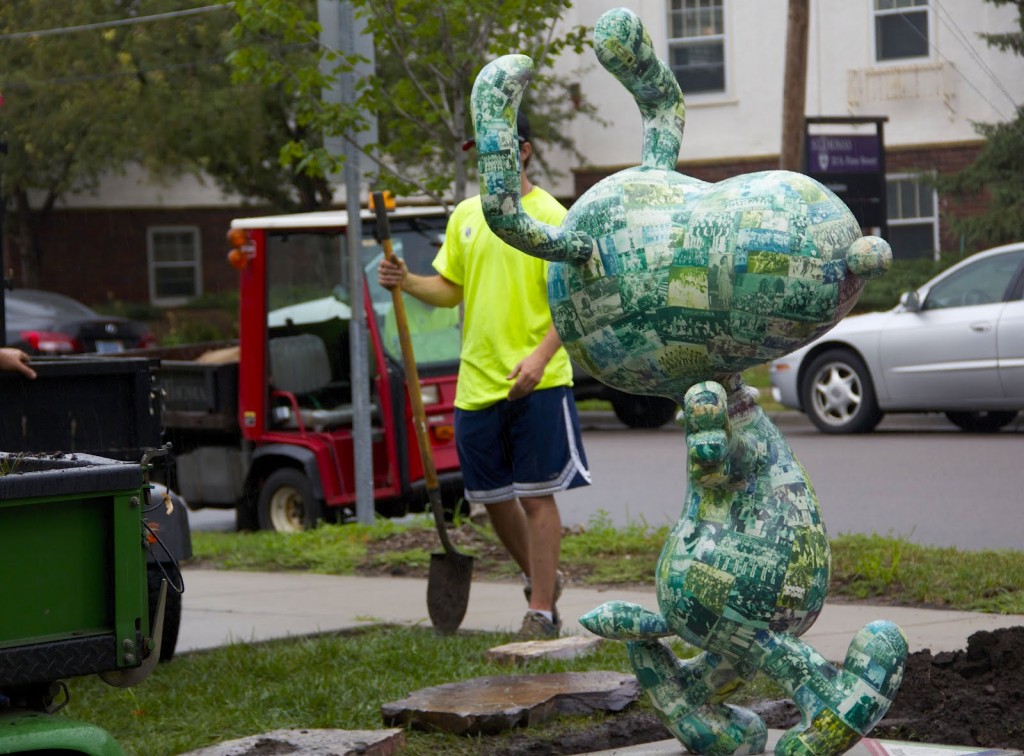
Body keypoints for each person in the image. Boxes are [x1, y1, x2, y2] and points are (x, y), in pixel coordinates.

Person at [378, 112, 591, 639]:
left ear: (523, 151)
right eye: (479, 151)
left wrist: (540, 358)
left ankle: (540, 611)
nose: (485, 161)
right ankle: (542, 578)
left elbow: (575, 303)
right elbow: (451, 289)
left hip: (538, 379)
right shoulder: (466, 216)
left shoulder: (553, 218)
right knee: (493, 500)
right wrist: (406, 281)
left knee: (537, 497)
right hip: (477, 383)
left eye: (496, 150)